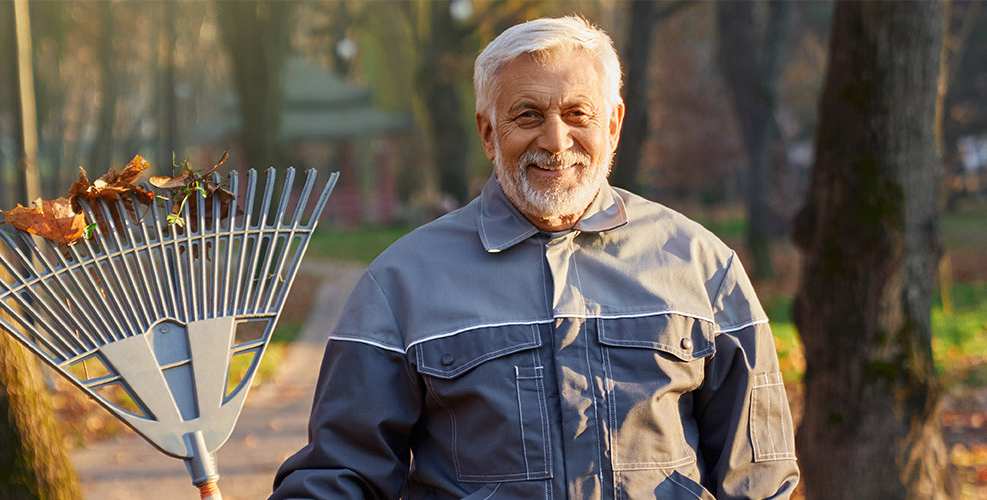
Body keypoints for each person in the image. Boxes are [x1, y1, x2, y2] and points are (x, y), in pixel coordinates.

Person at [271, 16, 799, 500]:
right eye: (528, 115)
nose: (555, 139)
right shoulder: (398, 285)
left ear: (612, 125)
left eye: (577, 114)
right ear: (488, 132)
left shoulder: (704, 269)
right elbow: (341, 474)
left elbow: (760, 477)